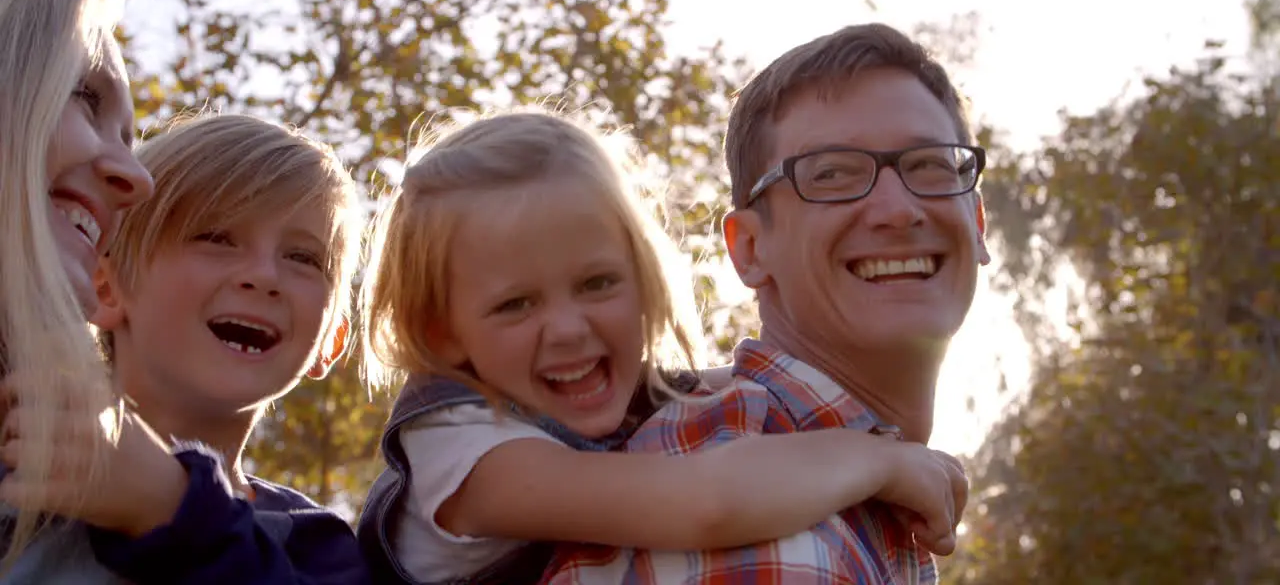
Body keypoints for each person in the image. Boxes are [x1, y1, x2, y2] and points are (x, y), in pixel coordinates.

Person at [356, 109, 967, 585]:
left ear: (645, 281)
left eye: (597, 284)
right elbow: (708, 505)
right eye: (516, 304)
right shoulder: (461, 449)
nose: (568, 328)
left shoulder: (589, 390)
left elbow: (732, 379)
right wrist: (880, 462)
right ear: (444, 331)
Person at [542, 22, 989, 584]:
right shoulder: (767, 516)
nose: (898, 209)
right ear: (750, 249)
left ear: (977, 223)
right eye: (831, 174)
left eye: (930, 166)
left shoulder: (859, 492)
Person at [84, 113, 371, 583]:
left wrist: (177, 511)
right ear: (105, 289)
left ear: (331, 340)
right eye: (216, 238)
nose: (264, 276)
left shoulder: (317, 547)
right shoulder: (23, 479)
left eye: (302, 258)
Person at [0, 0, 166, 583]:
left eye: (130, 140)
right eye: (85, 97)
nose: (138, 180)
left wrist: (179, 515)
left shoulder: (112, 496)